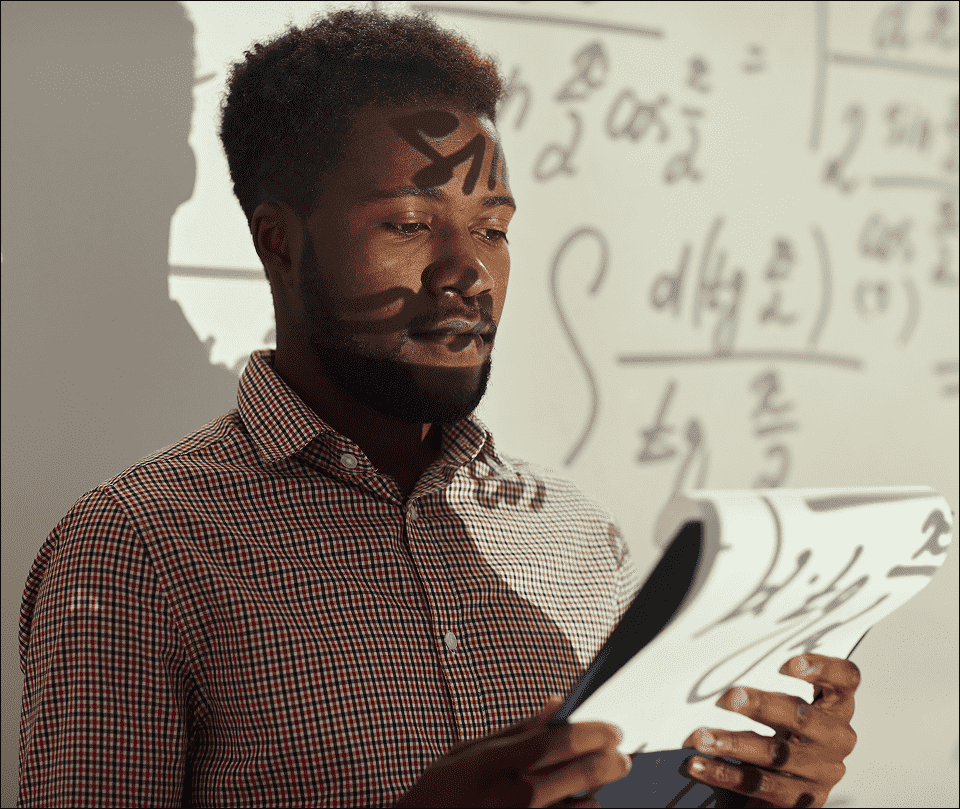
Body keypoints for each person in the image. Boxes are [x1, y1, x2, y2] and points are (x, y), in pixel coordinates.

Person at [17, 9, 860, 808]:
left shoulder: (579, 538)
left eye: (492, 229)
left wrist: (748, 791)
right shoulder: (133, 551)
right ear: (279, 240)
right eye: (411, 223)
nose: (467, 272)